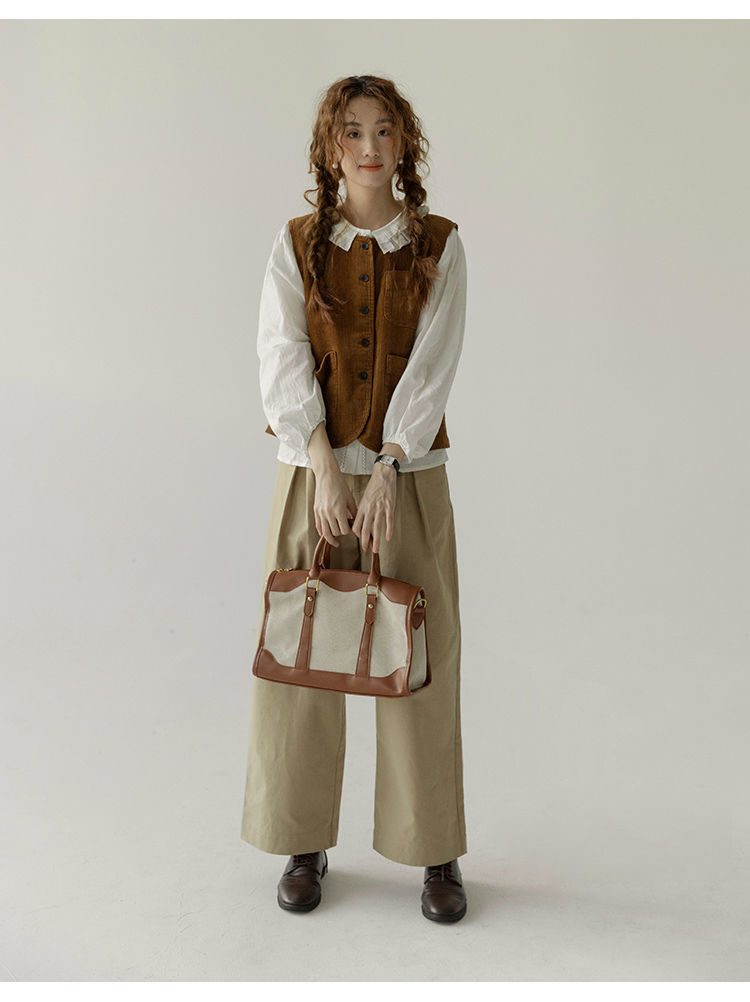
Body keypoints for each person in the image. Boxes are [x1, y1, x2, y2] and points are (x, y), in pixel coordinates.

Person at [240, 74, 468, 923]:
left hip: (408, 482)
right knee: (302, 654)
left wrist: (388, 464)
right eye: (352, 131)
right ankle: (303, 840)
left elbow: (434, 366)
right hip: (313, 478)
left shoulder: (440, 245)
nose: (369, 147)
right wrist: (325, 465)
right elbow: (281, 356)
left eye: (383, 130)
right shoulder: (296, 244)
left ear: (404, 142)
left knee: (423, 660)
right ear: (329, 147)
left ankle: (434, 848)